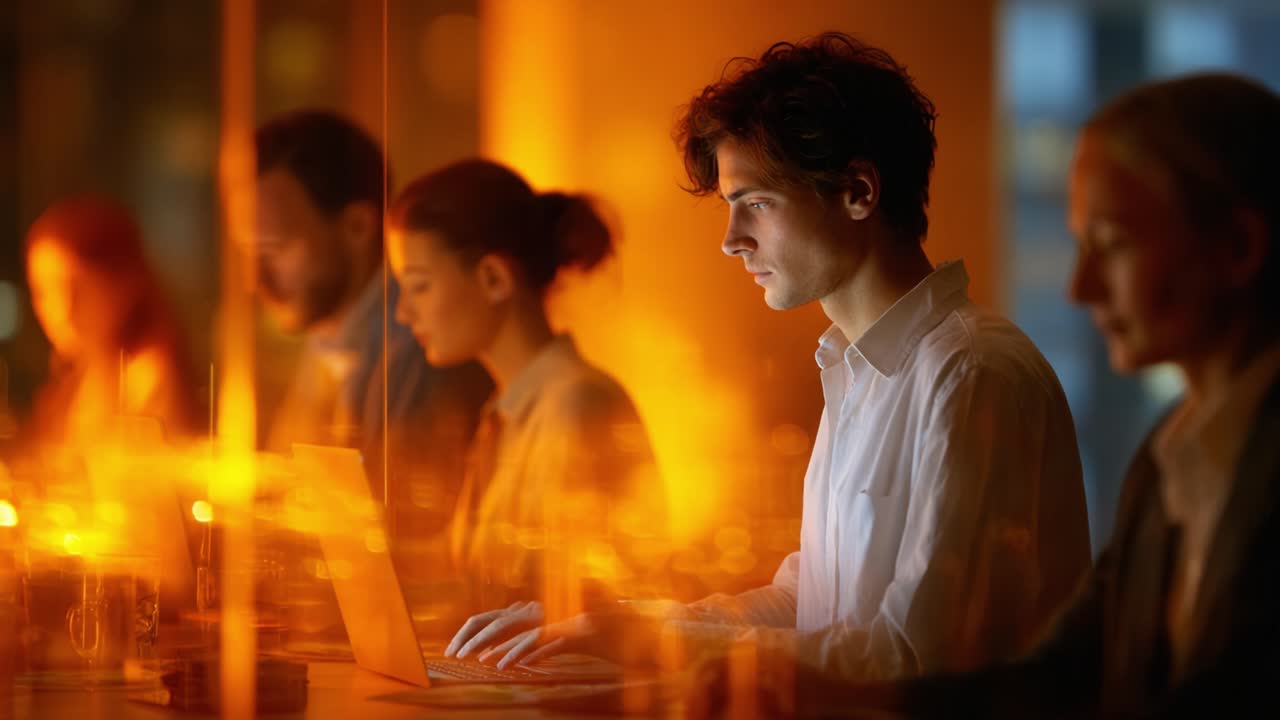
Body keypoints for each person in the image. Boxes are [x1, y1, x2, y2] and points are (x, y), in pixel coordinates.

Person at [445, 32, 1091, 679]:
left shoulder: (969, 374)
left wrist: (658, 648)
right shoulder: (858, 368)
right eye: (731, 208)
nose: (732, 241)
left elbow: (919, 659)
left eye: (755, 204)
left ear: (858, 192)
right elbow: (800, 603)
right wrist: (618, 625)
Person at [710, 71, 1280, 719]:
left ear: (1239, 247)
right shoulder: (1167, 456)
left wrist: (719, 670)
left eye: (1113, 243)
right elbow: (1063, 671)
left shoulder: (975, 373)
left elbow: (943, 662)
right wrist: (683, 649)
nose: (1081, 288)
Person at [386, 159, 667, 646]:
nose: (404, 312)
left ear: (494, 278)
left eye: (419, 286)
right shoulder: (508, 410)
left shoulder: (576, 407)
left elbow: (602, 607)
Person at [252, 110, 491, 527]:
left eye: (277, 249)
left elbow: (398, 546)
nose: (258, 281)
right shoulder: (328, 342)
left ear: (359, 226)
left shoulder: (419, 352)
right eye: (248, 253)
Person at [25, 195, 200, 445]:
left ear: (123, 282)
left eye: (75, 288)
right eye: (42, 291)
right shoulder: (80, 378)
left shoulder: (148, 379)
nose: (61, 309)